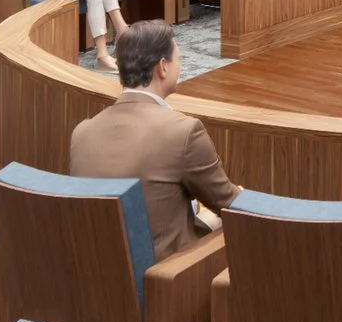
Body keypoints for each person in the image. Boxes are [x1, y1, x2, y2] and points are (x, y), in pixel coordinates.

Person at [68, 21, 242, 259]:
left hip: (97, 265)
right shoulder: (184, 131)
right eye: (178, 59)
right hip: (164, 273)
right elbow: (229, 204)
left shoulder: (82, 132)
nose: (180, 66)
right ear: (163, 67)